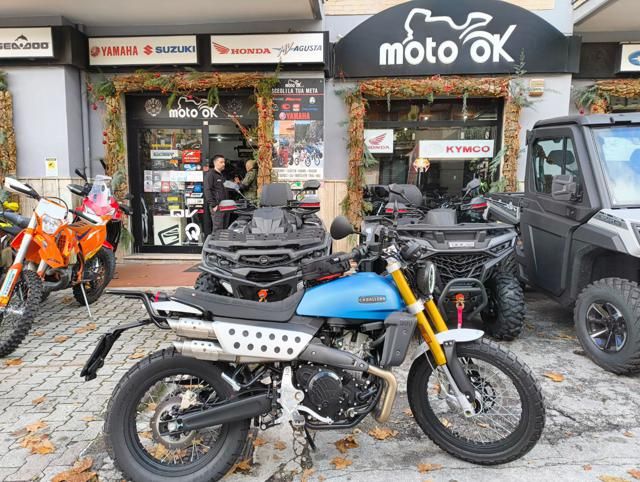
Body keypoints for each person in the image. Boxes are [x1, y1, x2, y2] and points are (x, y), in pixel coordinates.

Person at [204, 154, 227, 232]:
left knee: (223, 229)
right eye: (221, 162)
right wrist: (213, 205)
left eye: (224, 162)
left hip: (224, 206)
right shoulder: (210, 175)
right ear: (215, 163)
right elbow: (207, 190)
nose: (224, 164)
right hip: (217, 206)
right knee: (218, 229)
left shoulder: (221, 175)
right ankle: (215, 240)